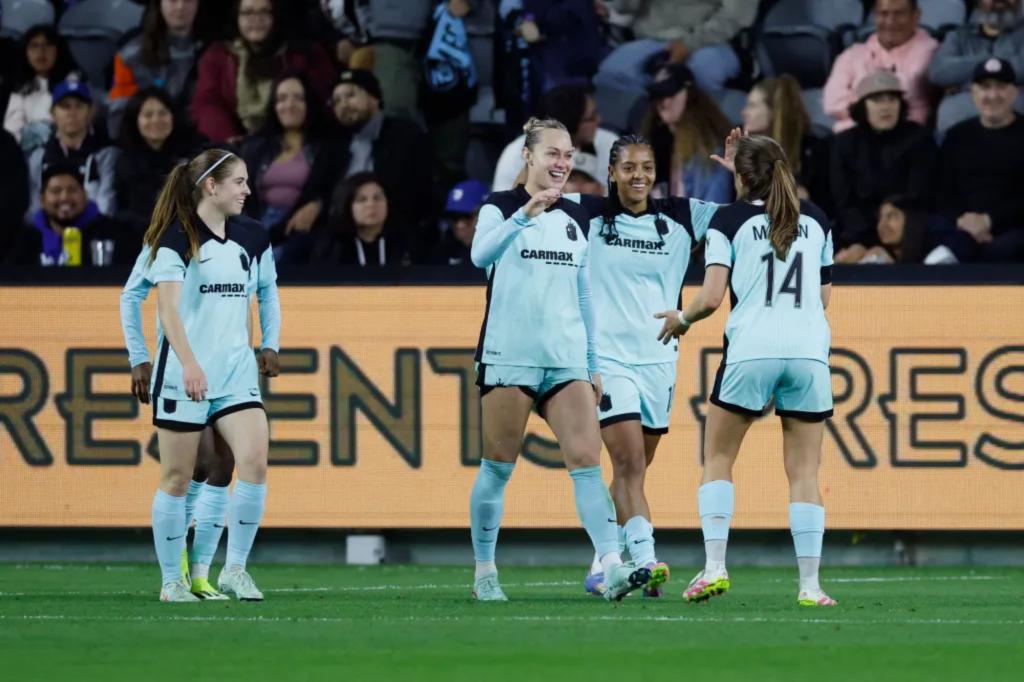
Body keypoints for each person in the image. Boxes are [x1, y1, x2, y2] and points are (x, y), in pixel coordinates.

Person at [467, 116, 650, 602]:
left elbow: (583, 293)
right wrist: (524, 215)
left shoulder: (576, 215)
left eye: (568, 155)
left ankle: (612, 567)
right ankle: (485, 571)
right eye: (552, 153)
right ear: (528, 156)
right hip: (510, 356)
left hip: (566, 360)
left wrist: (592, 363)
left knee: (587, 463)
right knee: (497, 468)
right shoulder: (499, 206)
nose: (562, 163)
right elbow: (480, 257)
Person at [655, 132, 837, 607]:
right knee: (804, 472)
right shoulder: (816, 219)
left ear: (740, 176)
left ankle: (715, 566)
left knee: (718, 458)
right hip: (808, 352)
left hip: (752, 349)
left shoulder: (728, 220)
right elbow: (822, 297)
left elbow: (712, 297)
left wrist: (682, 318)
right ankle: (811, 586)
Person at [573, 134, 718, 599]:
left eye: (647, 167)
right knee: (628, 462)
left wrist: (739, 175)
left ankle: (605, 564)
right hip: (608, 360)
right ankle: (646, 560)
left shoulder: (681, 216)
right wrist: (538, 152)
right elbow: (530, 198)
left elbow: (744, 218)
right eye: (629, 167)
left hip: (659, 360)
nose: (639, 176)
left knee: (636, 469)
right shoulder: (587, 214)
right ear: (611, 172)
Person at [120, 188, 280, 599]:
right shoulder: (172, 239)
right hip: (184, 373)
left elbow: (266, 292)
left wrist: (270, 343)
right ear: (211, 187)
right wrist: (139, 356)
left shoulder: (252, 235)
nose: (247, 189)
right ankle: (174, 577)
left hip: (234, 373)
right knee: (191, 470)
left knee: (238, 463)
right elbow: (135, 295)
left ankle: (222, 572)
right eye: (238, 181)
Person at [312, 69, 434, 260]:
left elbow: (422, 191)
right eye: (337, 101)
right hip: (341, 235)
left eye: (350, 95)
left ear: (374, 97)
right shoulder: (334, 143)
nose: (343, 105)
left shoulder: (405, 135)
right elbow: (317, 188)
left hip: (398, 234)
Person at [190, 0, 335, 143]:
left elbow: (322, 101)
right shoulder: (218, 55)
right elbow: (207, 103)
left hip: (296, 143)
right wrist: (230, 140)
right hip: (235, 144)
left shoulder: (305, 54)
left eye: (264, 12)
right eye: (248, 12)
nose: (256, 19)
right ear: (237, 17)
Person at [830, 71, 937, 256]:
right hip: (857, 232)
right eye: (877, 100)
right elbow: (843, 199)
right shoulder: (844, 143)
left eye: (892, 99)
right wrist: (864, 239)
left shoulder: (919, 138)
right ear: (863, 106)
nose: (886, 107)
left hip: (907, 231)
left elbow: (919, 195)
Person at [935, 58, 1024, 263]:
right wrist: (964, 222)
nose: (992, 95)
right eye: (985, 87)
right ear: (973, 94)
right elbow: (942, 192)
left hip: (1013, 229)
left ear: (1014, 92)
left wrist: (988, 220)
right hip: (962, 228)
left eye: (1001, 87)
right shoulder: (956, 136)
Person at [241, 73, 332, 263]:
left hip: (301, 231)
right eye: (282, 99)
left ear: (309, 104)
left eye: (298, 98)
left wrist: (319, 204)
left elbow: (333, 189)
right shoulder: (257, 147)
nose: (289, 105)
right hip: (260, 224)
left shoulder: (326, 148)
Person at [823, 0, 938, 133]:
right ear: (874, 16)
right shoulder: (852, 54)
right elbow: (832, 103)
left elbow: (908, 89)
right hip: (850, 137)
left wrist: (857, 98)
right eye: (883, 14)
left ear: (916, 16)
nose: (890, 21)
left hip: (905, 136)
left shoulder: (929, 50)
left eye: (899, 13)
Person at [596, 0, 757, 93]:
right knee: (611, 73)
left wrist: (690, 43)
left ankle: (703, 135)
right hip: (653, 37)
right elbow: (625, 6)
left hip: (713, 42)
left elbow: (734, 17)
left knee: (699, 73)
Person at [492, 84, 618, 193]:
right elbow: (502, 209)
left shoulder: (609, 144)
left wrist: (600, 193)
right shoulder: (516, 156)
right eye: (591, 117)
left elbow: (624, 201)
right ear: (571, 126)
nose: (599, 120)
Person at [108, 0, 204, 137]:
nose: (180, 6)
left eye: (188, 0)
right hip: (145, 141)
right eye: (172, 0)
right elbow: (118, 120)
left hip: (199, 140)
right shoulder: (130, 56)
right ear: (159, 3)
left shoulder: (216, 51)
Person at [640, 62, 734, 203]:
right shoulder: (657, 144)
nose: (663, 102)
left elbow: (713, 208)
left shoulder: (710, 153)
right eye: (658, 95)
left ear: (688, 94)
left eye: (669, 93)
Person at [27, 78, 119, 218]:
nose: (72, 113)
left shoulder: (107, 154)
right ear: (53, 113)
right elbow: (34, 206)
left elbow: (106, 206)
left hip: (93, 228)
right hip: (48, 229)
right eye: (65, 106)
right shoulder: (39, 157)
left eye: (79, 106)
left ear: (90, 112)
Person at [741, 75, 830, 213]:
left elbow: (818, 203)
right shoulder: (746, 147)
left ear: (773, 111)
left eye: (752, 106)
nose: (744, 112)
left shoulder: (813, 149)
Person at [115, 87, 197, 234]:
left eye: (163, 113)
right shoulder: (125, 163)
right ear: (135, 120)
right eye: (148, 115)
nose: (156, 120)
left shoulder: (192, 154)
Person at [23, 163, 136, 267]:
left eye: (72, 190)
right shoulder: (27, 240)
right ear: (42, 199)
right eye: (56, 191)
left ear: (85, 195)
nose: (64, 197)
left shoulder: (112, 233)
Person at [3, 24, 81, 150]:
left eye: (48, 45)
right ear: (26, 52)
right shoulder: (21, 87)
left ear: (58, 50)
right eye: (34, 46)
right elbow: (12, 130)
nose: (41, 51)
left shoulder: (73, 80)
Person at [311, 171, 405, 266]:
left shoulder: (404, 242)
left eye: (377, 198)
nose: (371, 204)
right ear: (347, 205)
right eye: (362, 199)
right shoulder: (332, 247)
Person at [929, 0, 1024, 91]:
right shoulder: (958, 35)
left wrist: (963, 83)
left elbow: (1021, 70)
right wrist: (997, 64)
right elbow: (938, 73)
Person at [432, 179, 488, 267]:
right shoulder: (443, 254)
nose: (459, 225)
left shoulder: (503, 254)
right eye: (454, 217)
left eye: (467, 216)